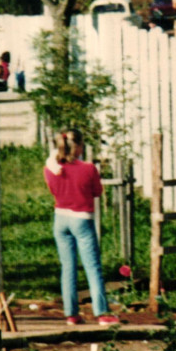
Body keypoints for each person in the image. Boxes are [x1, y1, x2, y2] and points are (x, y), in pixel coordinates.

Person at [45, 129, 119, 326]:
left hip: (60, 218)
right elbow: (97, 192)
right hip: (82, 218)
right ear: (77, 146)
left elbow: (52, 188)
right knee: (93, 267)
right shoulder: (88, 168)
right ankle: (102, 312)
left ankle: (71, 314)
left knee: (67, 267)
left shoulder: (51, 168)